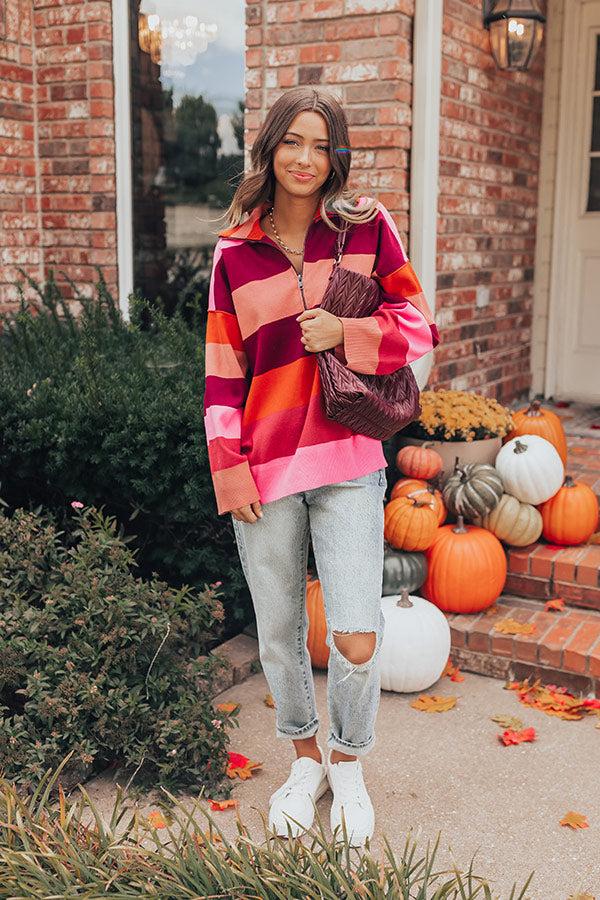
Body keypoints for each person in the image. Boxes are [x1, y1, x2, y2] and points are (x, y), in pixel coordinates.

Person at [203, 86, 440, 847]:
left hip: (346, 460)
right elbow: (221, 368)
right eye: (292, 142)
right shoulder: (235, 252)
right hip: (264, 469)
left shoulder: (365, 229)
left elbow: (418, 324)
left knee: (357, 634)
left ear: (337, 157)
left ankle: (349, 764)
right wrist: (227, 466)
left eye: (321, 145)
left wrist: (347, 330)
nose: (305, 159)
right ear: (270, 148)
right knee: (277, 633)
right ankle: (304, 761)